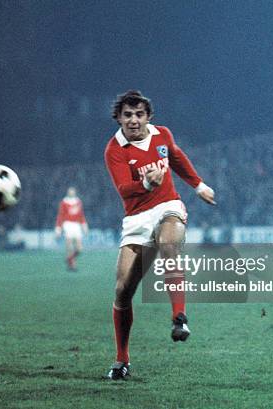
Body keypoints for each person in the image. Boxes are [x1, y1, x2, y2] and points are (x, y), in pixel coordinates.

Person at [103, 90, 216, 380]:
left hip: (168, 205)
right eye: (127, 115)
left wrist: (198, 185)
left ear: (148, 117)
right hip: (136, 219)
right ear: (118, 117)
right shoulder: (114, 150)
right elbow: (124, 190)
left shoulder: (162, 135)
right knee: (122, 291)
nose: (133, 120)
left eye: (139, 114)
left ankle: (179, 316)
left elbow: (176, 157)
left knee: (169, 244)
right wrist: (146, 182)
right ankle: (122, 360)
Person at [55, 187, 88, 271]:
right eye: (70, 192)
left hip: (77, 225)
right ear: (68, 193)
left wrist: (84, 225)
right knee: (69, 246)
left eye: (73, 192)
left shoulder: (78, 202)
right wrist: (58, 228)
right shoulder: (64, 202)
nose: (72, 193)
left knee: (79, 249)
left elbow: (81, 215)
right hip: (67, 224)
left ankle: (69, 259)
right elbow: (60, 215)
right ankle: (72, 265)